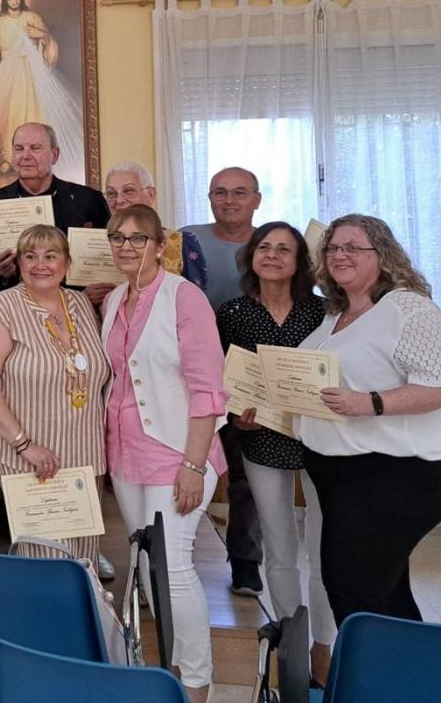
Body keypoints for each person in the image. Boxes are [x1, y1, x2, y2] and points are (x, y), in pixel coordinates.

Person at [297, 215, 441, 626]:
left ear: (383, 254)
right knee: (381, 596)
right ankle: (408, 678)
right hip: (343, 478)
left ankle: (379, 681)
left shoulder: (409, 309)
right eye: (333, 248)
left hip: (394, 477)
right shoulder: (335, 313)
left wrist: (370, 403)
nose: (340, 255)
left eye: (353, 247)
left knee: (357, 596)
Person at [101, 205, 227, 702]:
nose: (127, 246)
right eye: (118, 238)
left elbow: (208, 390)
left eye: (138, 238)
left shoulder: (184, 297)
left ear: (159, 245)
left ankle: (197, 684)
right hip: (127, 454)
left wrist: (193, 465)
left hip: (178, 452)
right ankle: (168, 671)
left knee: (173, 566)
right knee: (148, 566)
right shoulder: (114, 299)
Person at [215, 222, 334, 681]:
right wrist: (234, 414)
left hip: (321, 440)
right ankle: (290, 636)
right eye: (264, 247)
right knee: (280, 545)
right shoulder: (232, 313)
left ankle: (323, 642)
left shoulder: (324, 313)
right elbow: (223, 378)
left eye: (284, 249)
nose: (272, 255)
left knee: (324, 549)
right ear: (251, 257)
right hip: (262, 438)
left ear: (299, 261)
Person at [0, 225, 109, 566]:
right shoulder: (1, 309)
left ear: (67, 263)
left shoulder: (80, 304)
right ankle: (44, 619)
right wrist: (23, 444)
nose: (40, 264)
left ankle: (79, 618)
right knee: (45, 554)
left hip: (84, 451)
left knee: (82, 554)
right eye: (29, 256)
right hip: (26, 454)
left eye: (51, 256)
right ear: (18, 262)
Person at [182, 166, 264, 596]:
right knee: (183, 465)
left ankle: (246, 562)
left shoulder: (272, 242)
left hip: (251, 373)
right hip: (191, 373)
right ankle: (177, 559)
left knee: (246, 472)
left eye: (239, 192)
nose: (229, 200)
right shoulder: (185, 240)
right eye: (219, 192)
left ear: (257, 199)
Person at [0, 0, 87, 197]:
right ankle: (8, 158)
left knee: (34, 115)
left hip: (31, 71)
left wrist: (42, 36)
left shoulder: (33, 17)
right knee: (9, 115)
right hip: (7, 72)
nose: (14, 2)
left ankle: (37, 162)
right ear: (5, 1)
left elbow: (48, 47)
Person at [0, 122, 109, 292]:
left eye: (35, 148)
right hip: (15, 309)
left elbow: (106, 261)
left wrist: (87, 295)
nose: (25, 156)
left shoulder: (88, 200)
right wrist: (2, 275)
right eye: (19, 149)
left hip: (77, 307)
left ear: (54, 155)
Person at [81, 162, 205, 308]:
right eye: (111, 194)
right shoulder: (90, 243)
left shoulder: (180, 242)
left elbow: (196, 302)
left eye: (129, 191)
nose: (119, 200)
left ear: (151, 195)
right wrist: (84, 298)